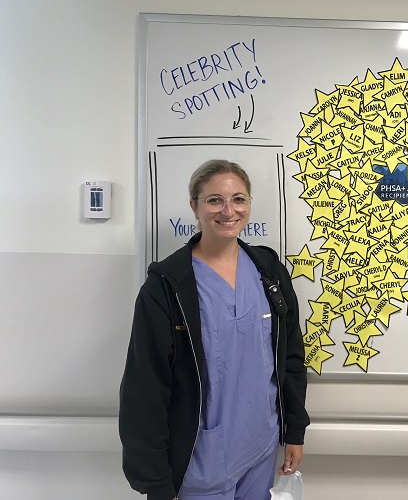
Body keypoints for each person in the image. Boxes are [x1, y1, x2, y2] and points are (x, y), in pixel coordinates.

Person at [120, 159, 310, 500]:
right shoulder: (168, 286)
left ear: (249, 204)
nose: (228, 211)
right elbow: (145, 387)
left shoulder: (269, 272)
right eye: (214, 200)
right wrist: (155, 483)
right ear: (194, 205)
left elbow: (290, 358)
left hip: (261, 447)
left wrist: (294, 430)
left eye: (239, 199)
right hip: (200, 460)